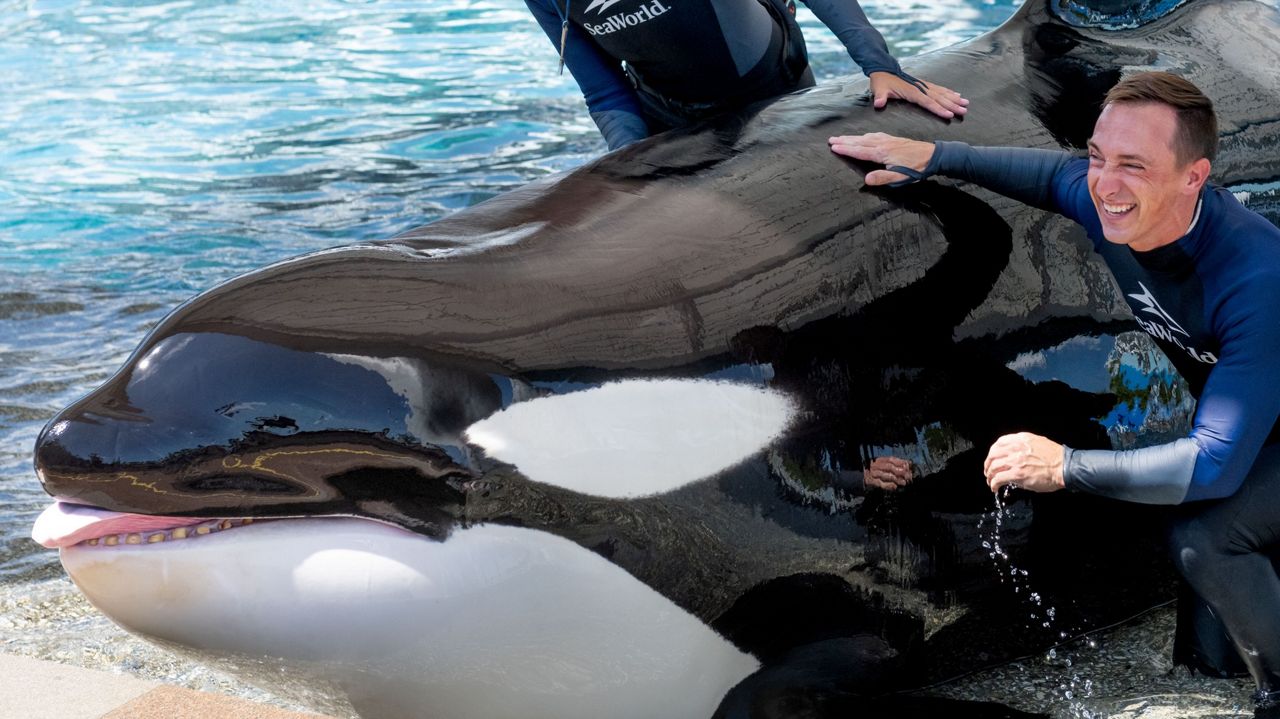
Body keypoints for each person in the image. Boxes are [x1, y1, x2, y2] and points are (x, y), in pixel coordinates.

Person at [827, 71, 1280, 717]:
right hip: (1262, 432)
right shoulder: (1111, 203)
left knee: (1204, 535)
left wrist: (1063, 466)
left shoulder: (1257, 277)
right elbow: (1046, 175)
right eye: (1098, 157)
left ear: (1193, 176)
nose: (1104, 182)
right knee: (1208, 655)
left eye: (1132, 164)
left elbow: (1210, 467)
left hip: (1253, 447)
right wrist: (934, 156)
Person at [524, 0, 968, 150]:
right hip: (666, 110)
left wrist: (879, 65)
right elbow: (603, 92)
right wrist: (631, 159)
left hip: (774, 87)